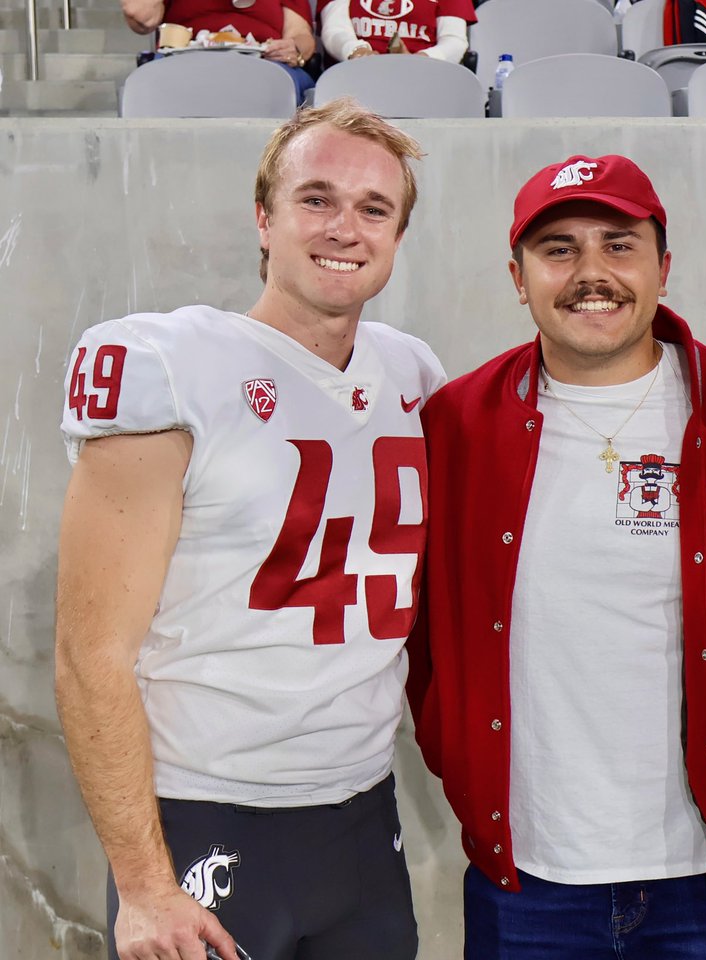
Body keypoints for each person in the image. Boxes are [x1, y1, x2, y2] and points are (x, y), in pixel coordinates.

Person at [408, 154, 706, 957]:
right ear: (518, 274)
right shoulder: (456, 424)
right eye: (559, 249)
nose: (590, 273)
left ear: (664, 267)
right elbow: (413, 618)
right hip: (529, 884)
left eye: (618, 244)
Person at [55, 99, 444, 960]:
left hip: (360, 812)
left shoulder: (412, 372)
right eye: (316, 198)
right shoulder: (171, 365)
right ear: (263, 219)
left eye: (375, 209)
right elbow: (91, 655)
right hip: (206, 810)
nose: (345, 226)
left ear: (397, 235)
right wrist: (146, 887)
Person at [120, 0, 317, 102]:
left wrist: (294, 48)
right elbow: (140, 15)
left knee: (282, 83)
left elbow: (301, 36)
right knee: (150, 80)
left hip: (265, 63)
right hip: (184, 61)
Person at [318, 0, 476, 63]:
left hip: (426, 76)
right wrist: (357, 51)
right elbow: (334, 30)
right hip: (356, 70)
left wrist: (420, 61)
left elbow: (454, 41)